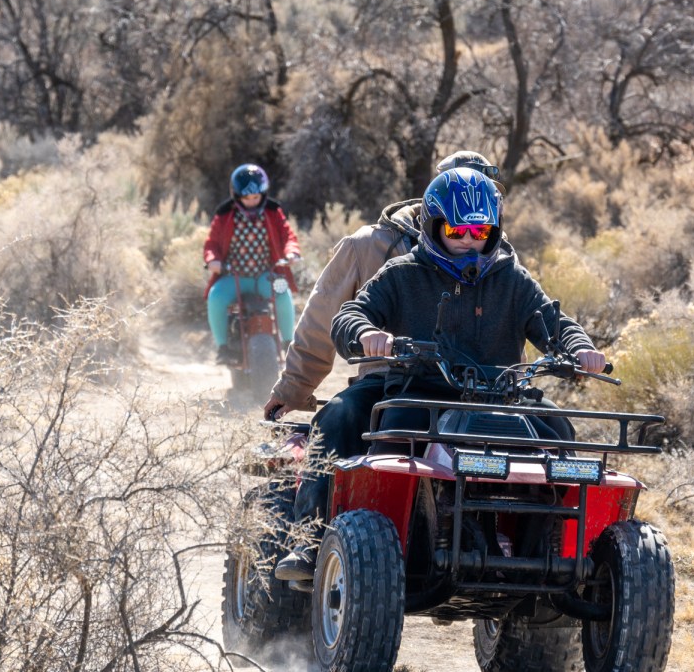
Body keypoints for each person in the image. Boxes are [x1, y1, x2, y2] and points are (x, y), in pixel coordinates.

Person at [274, 167, 604, 582]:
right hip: (416, 389)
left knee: (558, 428)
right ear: (433, 226)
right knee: (339, 414)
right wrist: (366, 333)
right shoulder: (402, 273)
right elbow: (349, 314)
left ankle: (554, 549)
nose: (469, 240)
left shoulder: (511, 278)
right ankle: (310, 538)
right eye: (457, 230)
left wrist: (579, 348)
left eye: (480, 231)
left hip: (497, 397)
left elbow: (554, 323)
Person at [262, 150, 503, 419]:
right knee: (340, 417)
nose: (472, 210)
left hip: (479, 387)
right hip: (386, 382)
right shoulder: (368, 245)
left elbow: (523, 320)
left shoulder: (499, 258)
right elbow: (322, 319)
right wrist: (293, 388)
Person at [203, 163, 301, 365]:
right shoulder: (224, 214)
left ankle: (288, 343)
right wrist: (212, 260)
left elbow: (288, 235)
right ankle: (223, 348)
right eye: (246, 198)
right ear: (236, 195)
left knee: (282, 292)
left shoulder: (273, 212)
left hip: (265, 276)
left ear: (263, 194)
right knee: (215, 296)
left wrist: (291, 253)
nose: (251, 202)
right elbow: (211, 243)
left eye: (255, 197)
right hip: (233, 277)